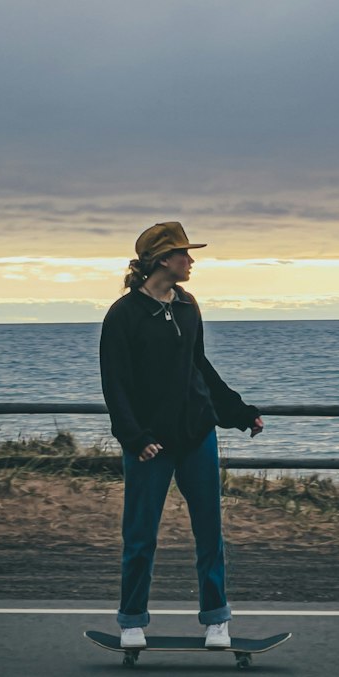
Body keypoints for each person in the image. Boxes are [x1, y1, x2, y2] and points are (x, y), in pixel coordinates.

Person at [99, 221, 264, 650]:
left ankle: (216, 621)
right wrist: (135, 438)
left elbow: (200, 369)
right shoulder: (124, 315)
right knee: (140, 536)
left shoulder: (188, 306)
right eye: (184, 254)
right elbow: (115, 384)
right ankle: (132, 621)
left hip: (196, 437)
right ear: (162, 260)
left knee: (210, 532)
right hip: (150, 445)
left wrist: (239, 412)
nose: (191, 261)